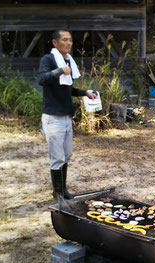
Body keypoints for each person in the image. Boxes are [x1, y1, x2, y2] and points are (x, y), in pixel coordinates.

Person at [38, 30, 97, 201]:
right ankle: (57, 194)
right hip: (52, 116)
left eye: (70, 40)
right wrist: (59, 71)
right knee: (57, 157)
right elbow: (41, 79)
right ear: (55, 43)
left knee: (66, 154)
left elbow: (67, 89)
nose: (69, 43)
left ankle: (63, 190)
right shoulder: (49, 59)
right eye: (64, 40)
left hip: (65, 116)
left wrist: (85, 92)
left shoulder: (67, 61)